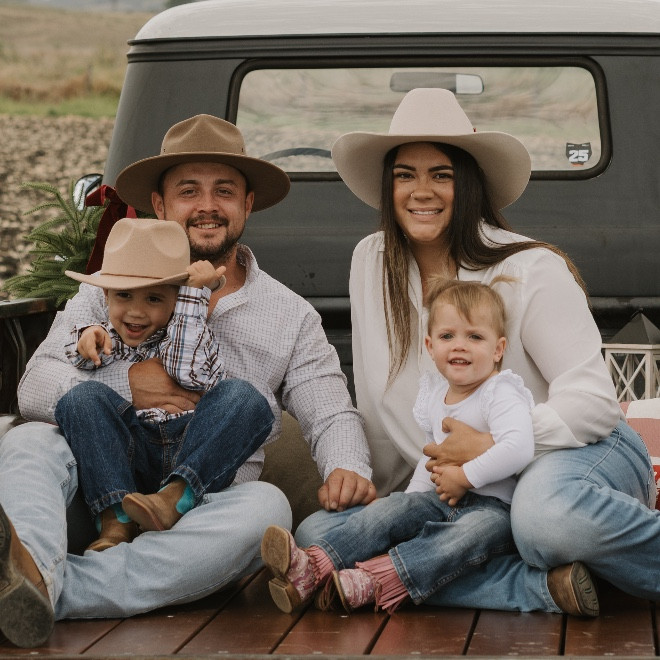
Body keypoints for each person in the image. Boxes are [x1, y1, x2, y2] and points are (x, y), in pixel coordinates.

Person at [0, 114, 375, 647]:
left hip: (203, 511)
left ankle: (42, 590)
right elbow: (35, 385)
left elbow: (329, 408)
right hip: (98, 491)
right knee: (30, 441)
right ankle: (36, 569)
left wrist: (347, 468)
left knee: (266, 507)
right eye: (188, 191)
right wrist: (129, 386)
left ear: (247, 203)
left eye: (224, 191)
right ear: (160, 205)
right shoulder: (107, 288)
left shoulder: (288, 314)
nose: (207, 205)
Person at [296, 87, 659, 614]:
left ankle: (532, 550)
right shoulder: (371, 261)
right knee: (323, 535)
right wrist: (374, 494)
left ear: (467, 185)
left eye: (441, 175)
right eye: (405, 175)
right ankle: (545, 586)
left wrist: (492, 445)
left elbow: (595, 405)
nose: (421, 191)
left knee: (543, 519)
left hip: (576, 453)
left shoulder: (529, 268)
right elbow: (378, 406)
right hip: (465, 488)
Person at [261, 277, 540, 614]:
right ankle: (314, 566)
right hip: (439, 500)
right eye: (447, 336)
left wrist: (466, 477)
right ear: (430, 346)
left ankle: (377, 579)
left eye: (475, 337)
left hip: (493, 509)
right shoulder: (436, 394)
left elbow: (518, 447)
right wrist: (409, 505)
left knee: (463, 538)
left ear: (498, 349)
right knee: (387, 512)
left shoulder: (500, 391)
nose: (459, 346)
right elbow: (430, 456)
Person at [55, 217, 271, 552]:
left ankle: (175, 498)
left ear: (176, 300)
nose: (136, 312)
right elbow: (77, 358)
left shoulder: (193, 336)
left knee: (245, 398)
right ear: (106, 295)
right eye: (124, 296)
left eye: (154, 299)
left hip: (192, 448)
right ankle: (115, 520)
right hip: (131, 453)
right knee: (80, 398)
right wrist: (87, 338)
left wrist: (193, 296)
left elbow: (185, 372)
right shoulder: (108, 336)